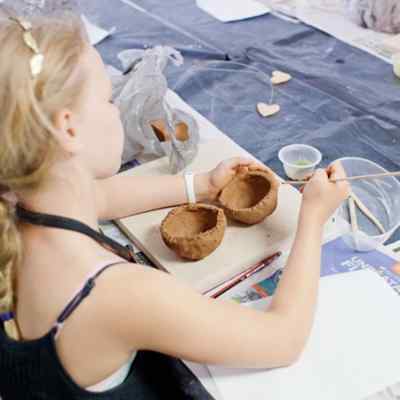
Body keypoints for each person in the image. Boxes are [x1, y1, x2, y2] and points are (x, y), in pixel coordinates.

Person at [0, 12, 349, 399]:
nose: (117, 108)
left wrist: (200, 186)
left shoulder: (18, 207)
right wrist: (312, 218)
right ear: (68, 129)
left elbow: (102, 197)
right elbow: (283, 340)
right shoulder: (123, 294)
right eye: (108, 98)